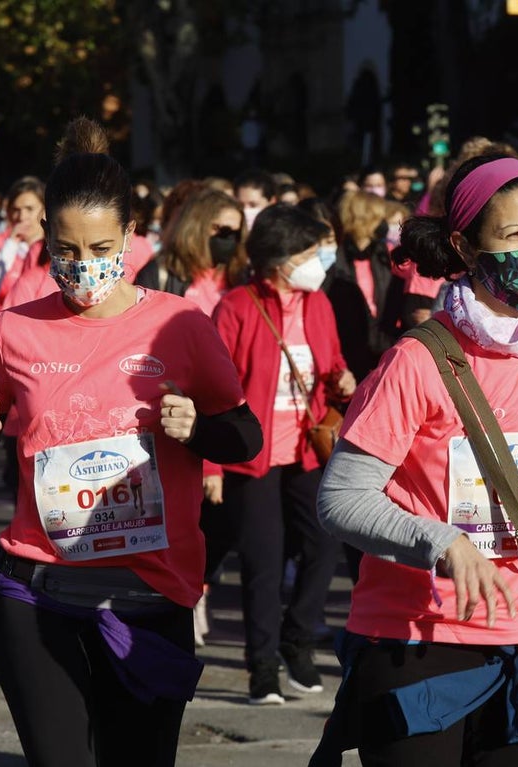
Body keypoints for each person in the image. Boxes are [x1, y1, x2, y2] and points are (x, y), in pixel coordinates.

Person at [0, 117, 263, 767]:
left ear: (129, 236)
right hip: (39, 593)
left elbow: (245, 437)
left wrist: (196, 429)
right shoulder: (14, 330)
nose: (83, 265)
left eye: (98, 247)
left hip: (150, 596)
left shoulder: (179, 322)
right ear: (46, 242)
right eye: (66, 248)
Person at [312, 155, 518, 765]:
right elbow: (340, 498)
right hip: (418, 638)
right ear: (466, 247)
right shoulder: (416, 359)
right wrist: (442, 543)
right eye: (513, 235)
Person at [208, 204, 352, 705]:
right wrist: (210, 465)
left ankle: (298, 637)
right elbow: (211, 391)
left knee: (324, 545)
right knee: (263, 563)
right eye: (311, 253)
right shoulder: (237, 307)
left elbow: (331, 365)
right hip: (254, 457)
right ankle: (262, 665)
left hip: (308, 449)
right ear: (280, 259)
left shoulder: (319, 304)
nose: (321, 262)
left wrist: (343, 380)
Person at [330, 191, 404, 380]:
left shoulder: (386, 255)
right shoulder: (335, 257)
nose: (383, 224)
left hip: (384, 342)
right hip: (349, 346)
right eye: (377, 218)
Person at [135, 187, 246, 314]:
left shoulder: (238, 275)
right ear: (197, 226)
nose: (229, 239)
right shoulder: (160, 273)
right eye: (223, 230)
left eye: (235, 233)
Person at [0, 176, 46, 311]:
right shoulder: (2, 243)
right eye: (16, 209)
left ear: (45, 209)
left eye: (29, 209)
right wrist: (10, 246)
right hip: (7, 323)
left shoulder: (55, 245)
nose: (21, 217)